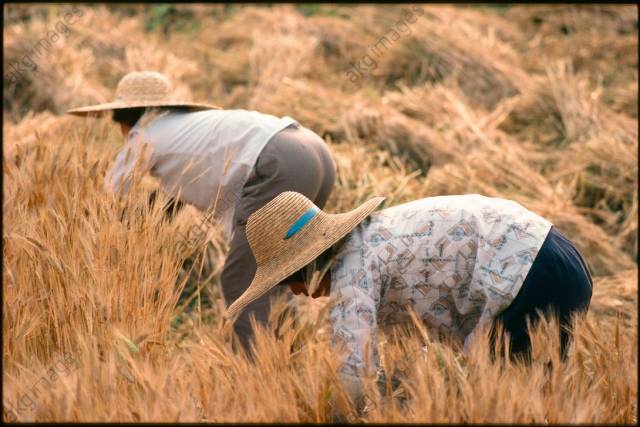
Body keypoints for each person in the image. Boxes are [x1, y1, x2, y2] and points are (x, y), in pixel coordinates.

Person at [224, 191, 593, 402]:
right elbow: (417, 349)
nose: (294, 292)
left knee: (500, 402)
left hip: (532, 273)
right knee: (529, 396)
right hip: (554, 258)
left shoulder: (353, 270)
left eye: (288, 279)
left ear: (307, 265)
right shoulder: (369, 238)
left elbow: (356, 377)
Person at [67, 71, 336, 352]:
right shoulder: (185, 129)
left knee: (243, 281)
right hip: (313, 152)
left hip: (277, 161)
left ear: (123, 120)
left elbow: (106, 199)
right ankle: (292, 360)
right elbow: (166, 203)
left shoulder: (142, 135)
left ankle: (256, 371)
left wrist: (86, 242)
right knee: (274, 273)